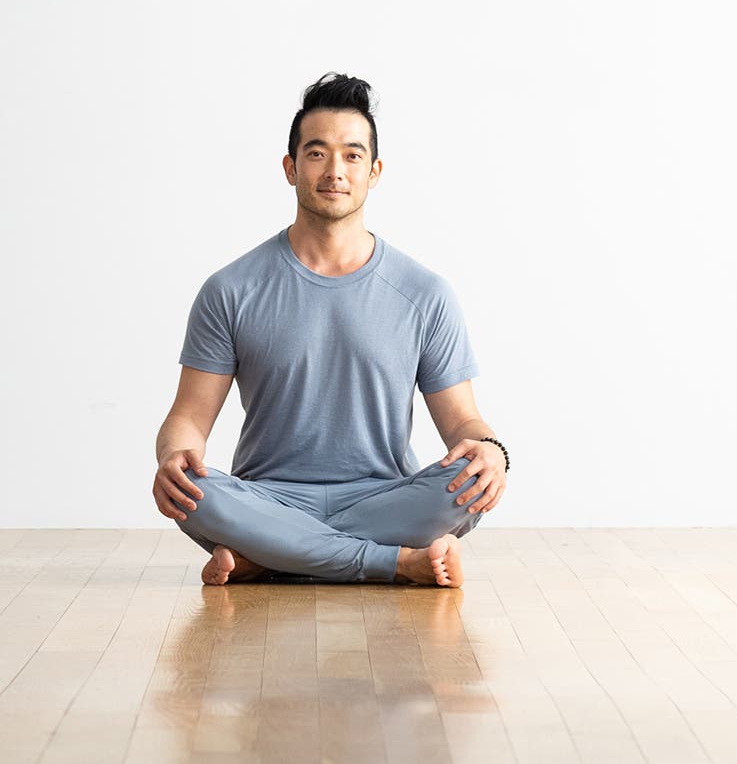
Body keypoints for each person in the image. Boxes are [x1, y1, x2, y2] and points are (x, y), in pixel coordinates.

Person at [151, 72, 510, 587]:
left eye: (352, 155)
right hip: (267, 497)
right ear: (290, 168)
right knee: (197, 494)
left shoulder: (424, 293)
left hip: (385, 497)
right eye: (317, 153)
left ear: (375, 171)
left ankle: (274, 554)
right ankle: (392, 562)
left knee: (462, 486)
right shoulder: (230, 289)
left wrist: (493, 455)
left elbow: (464, 424)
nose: (334, 171)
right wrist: (173, 457)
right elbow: (187, 418)